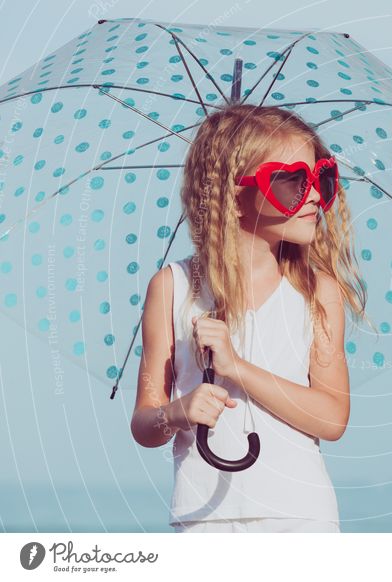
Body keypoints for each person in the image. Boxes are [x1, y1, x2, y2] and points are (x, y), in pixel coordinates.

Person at [130, 104, 371, 533]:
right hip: (203, 518)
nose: (314, 195)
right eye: (293, 180)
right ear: (232, 196)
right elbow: (146, 423)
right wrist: (181, 411)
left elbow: (332, 418)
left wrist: (237, 368)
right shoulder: (171, 288)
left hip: (301, 518)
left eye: (322, 179)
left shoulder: (317, 293)